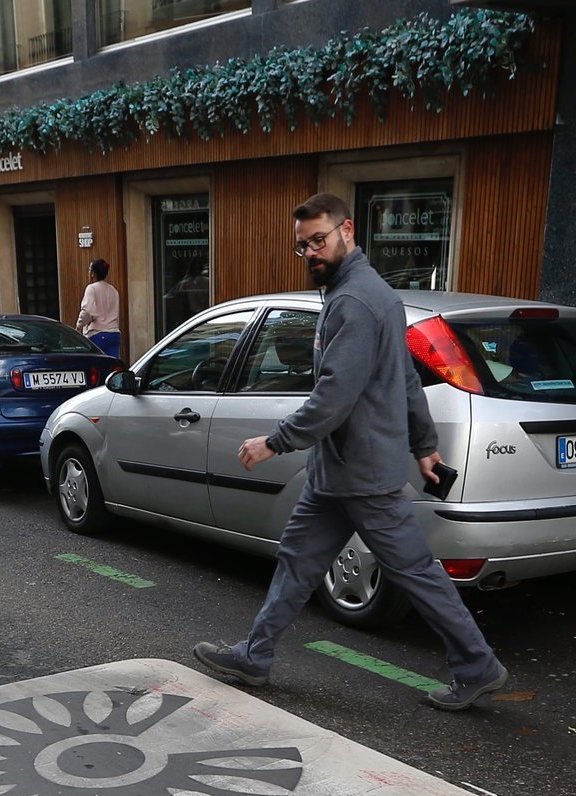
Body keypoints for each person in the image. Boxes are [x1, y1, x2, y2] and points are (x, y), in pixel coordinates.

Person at [192, 192, 507, 711]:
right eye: (303, 246)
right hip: (337, 474)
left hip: (362, 475)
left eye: (319, 239)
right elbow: (404, 377)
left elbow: (334, 395)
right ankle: (255, 654)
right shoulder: (366, 293)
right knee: (297, 562)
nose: (312, 252)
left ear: (348, 231)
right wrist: (424, 446)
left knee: (415, 572)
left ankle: (477, 664)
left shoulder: (356, 302)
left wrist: (275, 441)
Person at [76, 258, 121, 358]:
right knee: (112, 367)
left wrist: (79, 326)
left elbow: (87, 312)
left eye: (89, 270)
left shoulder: (91, 288)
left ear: (93, 273)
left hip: (97, 334)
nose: (88, 273)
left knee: (96, 368)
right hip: (114, 334)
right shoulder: (113, 290)